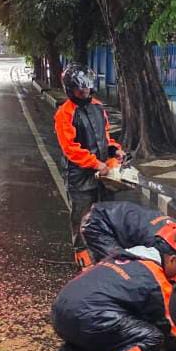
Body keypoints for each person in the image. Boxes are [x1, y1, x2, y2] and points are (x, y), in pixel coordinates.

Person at [49, 223, 176, 351]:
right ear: (173, 259)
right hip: (90, 319)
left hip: (60, 311)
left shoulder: (122, 255)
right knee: (152, 337)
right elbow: (171, 328)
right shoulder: (155, 277)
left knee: (113, 328)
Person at [54, 63, 122, 269]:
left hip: (103, 172)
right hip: (79, 175)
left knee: (105, 212)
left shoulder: (98, 107)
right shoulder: (65, 113)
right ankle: (81, 251)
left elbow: (106, 136)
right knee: (82, 213)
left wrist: (114, 151)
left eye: (87, 88)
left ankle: (106, 251)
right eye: (79, 89)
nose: (84, 92)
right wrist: (95, 163)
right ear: (70, 89)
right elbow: (71, 149)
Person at [80, 202, 176, 268]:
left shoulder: (175, 231)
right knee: (119, 267)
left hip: (108, 216)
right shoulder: (162, 243)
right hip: (98, 225)